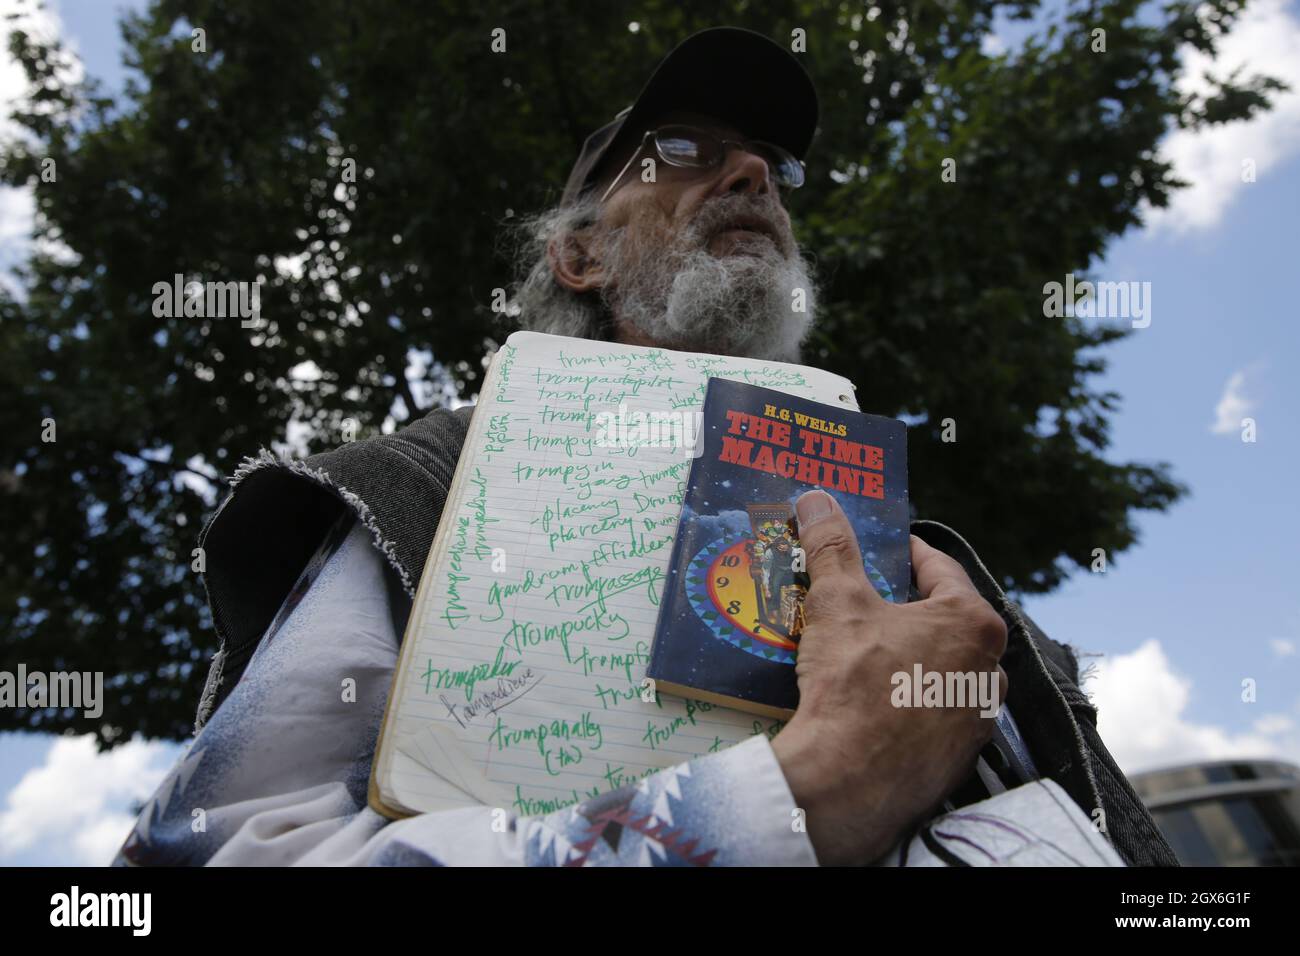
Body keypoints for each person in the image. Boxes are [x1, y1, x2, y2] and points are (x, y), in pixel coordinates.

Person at [114, 27, 1177, 867]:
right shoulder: (430, 485)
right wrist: (798, 798)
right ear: (577, 253)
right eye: (682, 151)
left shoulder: (926, 563)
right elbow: (224, 851)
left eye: (767, 166)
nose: (752, 172)